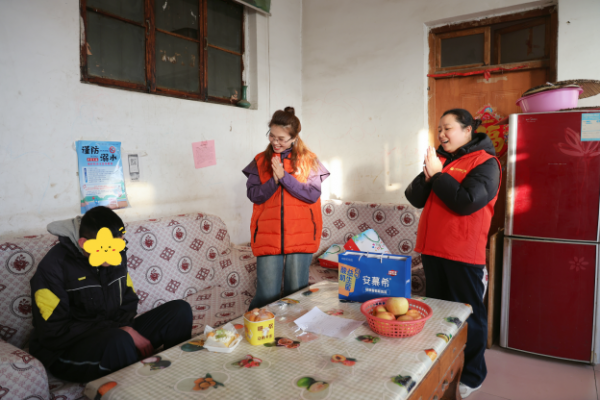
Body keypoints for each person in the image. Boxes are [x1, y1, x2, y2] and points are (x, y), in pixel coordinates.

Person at [29, 206, 193, 383]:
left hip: (114, 335)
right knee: (120, 340)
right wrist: (121, 331)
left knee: (180, 310)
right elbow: (53, 331)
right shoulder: (53, 268)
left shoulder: (116, 255)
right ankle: (142, 387)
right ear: (84, 243)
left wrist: (125, 329)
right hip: (65, 351)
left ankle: (179, 376)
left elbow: (128, 299)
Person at [405, 108, 501, 398]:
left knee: (469, 316)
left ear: (468, 130)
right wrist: (429, 175)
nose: (442, 134)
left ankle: (473, 373)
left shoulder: (486, 163)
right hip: (433, 250)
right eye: (439, 129)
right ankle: (444, 364)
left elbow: (466, 202)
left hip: (463, 254)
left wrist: (438, 175)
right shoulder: (442, 159)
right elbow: (414, 198)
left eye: (448, 128)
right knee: (439, 315)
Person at [243, 107, 330, 309]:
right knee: (266, 295)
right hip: (268, 235)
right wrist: (274, 181)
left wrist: (284, 177)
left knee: (296, 294)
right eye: (272, 136)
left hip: (301, 235)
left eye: (281, 138)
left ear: (294, 137)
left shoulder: (309, 160)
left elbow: (312, 194)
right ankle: (258, 326)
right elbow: (254, 195)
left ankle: (295, 329)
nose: (275, 142)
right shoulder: (261, 161)